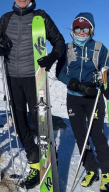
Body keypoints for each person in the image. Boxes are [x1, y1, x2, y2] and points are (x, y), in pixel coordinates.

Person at [0, 0, 65, 189]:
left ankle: (49, 158)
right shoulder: (6, 19)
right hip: (11, 77)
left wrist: (53, 56)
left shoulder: (41, 17)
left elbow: (59, 41)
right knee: (19, 123)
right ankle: (35, 164)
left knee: (39, 121)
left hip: (35, 77)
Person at [57, 12, 109, 191]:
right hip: (74, 97)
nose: (80, 32)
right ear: (72, 29)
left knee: (97, 135)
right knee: (80, 135)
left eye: (85, 28)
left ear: (91, 30)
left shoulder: (100, 48)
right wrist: (73, 83)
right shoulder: (67, 48)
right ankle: (91, 168)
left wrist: (104, 85)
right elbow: (60, 72)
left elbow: (106, 69)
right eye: (77, 28)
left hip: (93, 98)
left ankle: (107, 173)